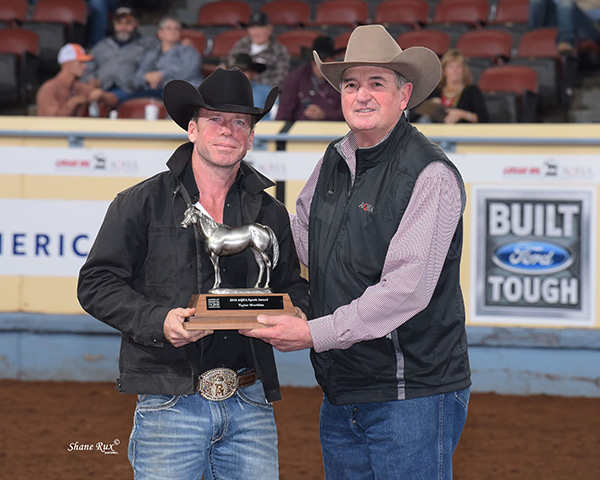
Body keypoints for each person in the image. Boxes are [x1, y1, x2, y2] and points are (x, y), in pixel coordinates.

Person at [242, 25, 471, 480]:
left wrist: (315, 333)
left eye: (376, 83)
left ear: (404, 95)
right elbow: (303, 241)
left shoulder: (429, 173)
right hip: (343, 386)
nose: (361, 95)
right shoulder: (334, 157)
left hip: (410, 393)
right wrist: (241, 219)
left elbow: (405, 291)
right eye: (351, 84)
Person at [77, 68, 309, 479]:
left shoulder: (271, 213)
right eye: (216, 119)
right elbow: (96, 283)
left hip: (249, 399)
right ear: (192, 129)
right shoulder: (140, 202)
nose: (228, 130)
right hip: (169, 401)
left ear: (251, 137)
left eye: (240, 122)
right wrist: (157, 321)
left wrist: (297, 316)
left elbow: (292, 285)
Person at [82, 6, 159, 103]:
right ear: (113, 25)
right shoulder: (102, 45)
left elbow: (153, 67)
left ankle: (107, 98)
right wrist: (91, 79)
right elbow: (88, 64)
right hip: (102, 88)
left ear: (136, 24)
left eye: (128, 23)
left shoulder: (146, 45)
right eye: (119, 23)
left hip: (131, 91)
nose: (123, 27)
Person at [36, 43, 118, 117]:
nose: (85, 66)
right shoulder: (48, 89)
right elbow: (53, 119)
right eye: (81, 62)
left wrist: (102, 95)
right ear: (67, 63)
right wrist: (74, 102)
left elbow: (114, 100)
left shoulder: (80, 87)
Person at [275, 36, 345, 122]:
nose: (320, 67)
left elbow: (350, 113)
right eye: (317, 62)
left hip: (335, 131)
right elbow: (284, 112)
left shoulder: (342, 79)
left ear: (333, 61)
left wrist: (325, 115)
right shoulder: (297, 77)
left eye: (325, 62)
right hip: (300, 131)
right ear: (311, 61)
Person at [132, 16, 204, 99]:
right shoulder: (151, 53)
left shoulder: (189, 51)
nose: (173, 31)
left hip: (182, 93)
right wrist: (146, 77)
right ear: (160, 33)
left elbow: (186, 72)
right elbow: (135, 80)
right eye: (169, 28)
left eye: (177, 29)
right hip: (155, 92)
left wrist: (160, 76)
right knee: (129, 100)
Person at [412, 49, 488, 124]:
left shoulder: (472, 91)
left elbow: (483, 118)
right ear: (444, 71)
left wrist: (462, 114)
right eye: (451, 67)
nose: (455, 70)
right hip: (436, 133)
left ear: (464, 70)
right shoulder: (436, 91)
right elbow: (413, 116)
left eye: (458, 67)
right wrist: (430, 104)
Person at [226, 11, 290, 89]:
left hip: (264, 91)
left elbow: (280, 80)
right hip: (236, 87)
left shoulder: (279, 50)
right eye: (253, 28)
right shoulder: (242, 44)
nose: (256, 32)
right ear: (248, 30)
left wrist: (252, 79)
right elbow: (228, 64)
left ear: (269, 29)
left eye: (260, 27)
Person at [528, 0, 600, 55]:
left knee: (565, 2)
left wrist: (585, 12)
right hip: (563, 17)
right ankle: (529, 41)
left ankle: (566, 42)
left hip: (591, 25)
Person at [231, 53, 277, 119]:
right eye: (237, 70)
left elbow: (276, 115)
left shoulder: (267, 91)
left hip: (264, 127)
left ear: (254, 73)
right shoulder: (225, 91)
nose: (240, 73)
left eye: (244, 70)